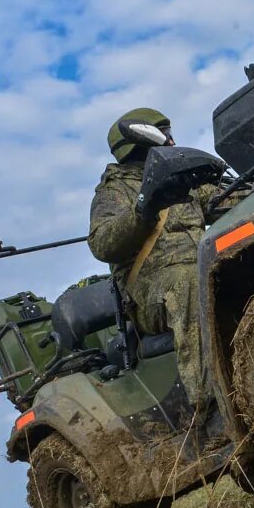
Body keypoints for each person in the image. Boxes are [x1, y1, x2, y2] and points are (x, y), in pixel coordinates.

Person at [87, 108, 215, 412]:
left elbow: (229, 199)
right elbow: (102, 243)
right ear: (143, 139)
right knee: (189, 282)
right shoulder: (115, 189)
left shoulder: (184, 178)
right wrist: (142, 212)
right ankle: (210, 407)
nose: (172, 140)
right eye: (165, 132)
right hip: (149, 294)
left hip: (204, 266)